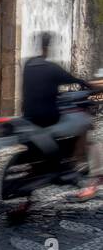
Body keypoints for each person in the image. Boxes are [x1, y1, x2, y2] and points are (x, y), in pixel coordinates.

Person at [20, 32, 101, 201]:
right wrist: (92, 88)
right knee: (84, 123)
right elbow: (76, 80)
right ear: (48, 48)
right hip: (48, 117)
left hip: (28, 116)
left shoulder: (28, 64)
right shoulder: (52, 68)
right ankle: (83, 167)